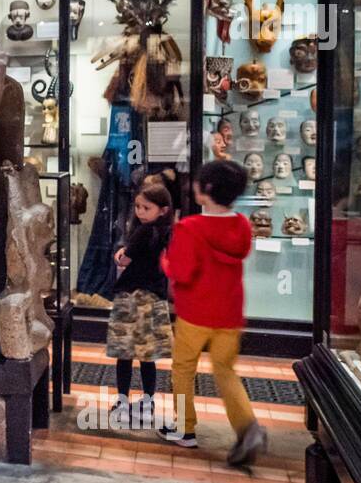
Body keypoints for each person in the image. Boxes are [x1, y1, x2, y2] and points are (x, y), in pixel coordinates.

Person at [160, 160, 268, 466]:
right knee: (225, 371)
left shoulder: (189, 228)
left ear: (205, 190)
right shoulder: (243, 226)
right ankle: (248, 427)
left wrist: (165, 262)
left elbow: (182, 273)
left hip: (195, 312)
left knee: (183, 368)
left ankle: (186, 428)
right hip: (230, 313)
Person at [107, 183, 174, 428]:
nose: (140, 212)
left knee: (124, 353)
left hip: (131, 296)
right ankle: (148, 401)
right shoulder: (166, 233)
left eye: (146, 207)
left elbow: (124, 259)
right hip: (154, 296)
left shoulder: (143, 232)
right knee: (148, 356)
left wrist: (119, 254)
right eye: (137, 206)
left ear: (163, 210)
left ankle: (122, 400)